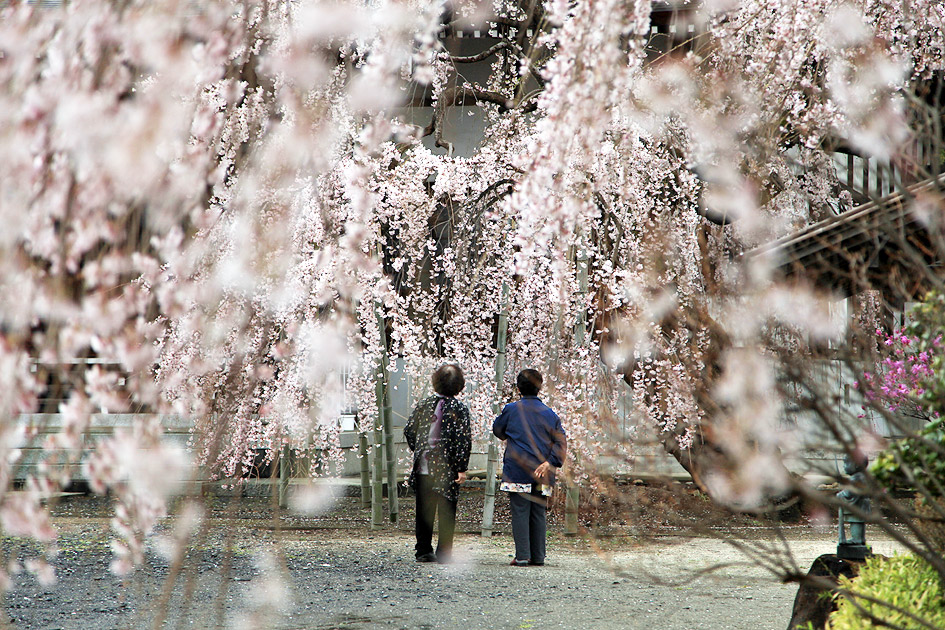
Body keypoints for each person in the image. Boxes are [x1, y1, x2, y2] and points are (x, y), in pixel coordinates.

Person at [493, 369, 567, 567]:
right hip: (542, 471)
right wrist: (550, 462)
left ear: (518, 389)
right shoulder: (550, 414)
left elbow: (498, 431)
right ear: (539, 387)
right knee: (538, 512)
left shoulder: (511, 409)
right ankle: (538, 556)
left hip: (518, 469)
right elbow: (561, 443)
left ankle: (523, 556)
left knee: (520, 510)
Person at [404, 364, 472, 563]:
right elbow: (463, 440)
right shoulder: (459, 409)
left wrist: (419, 450)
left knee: (424, 509)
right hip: (447, 468)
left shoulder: (424, 404)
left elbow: (409, 430)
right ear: (459, 385)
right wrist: (461, 467)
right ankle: (444, 553)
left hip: (424, 466)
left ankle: (423, 551)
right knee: (447, 509)